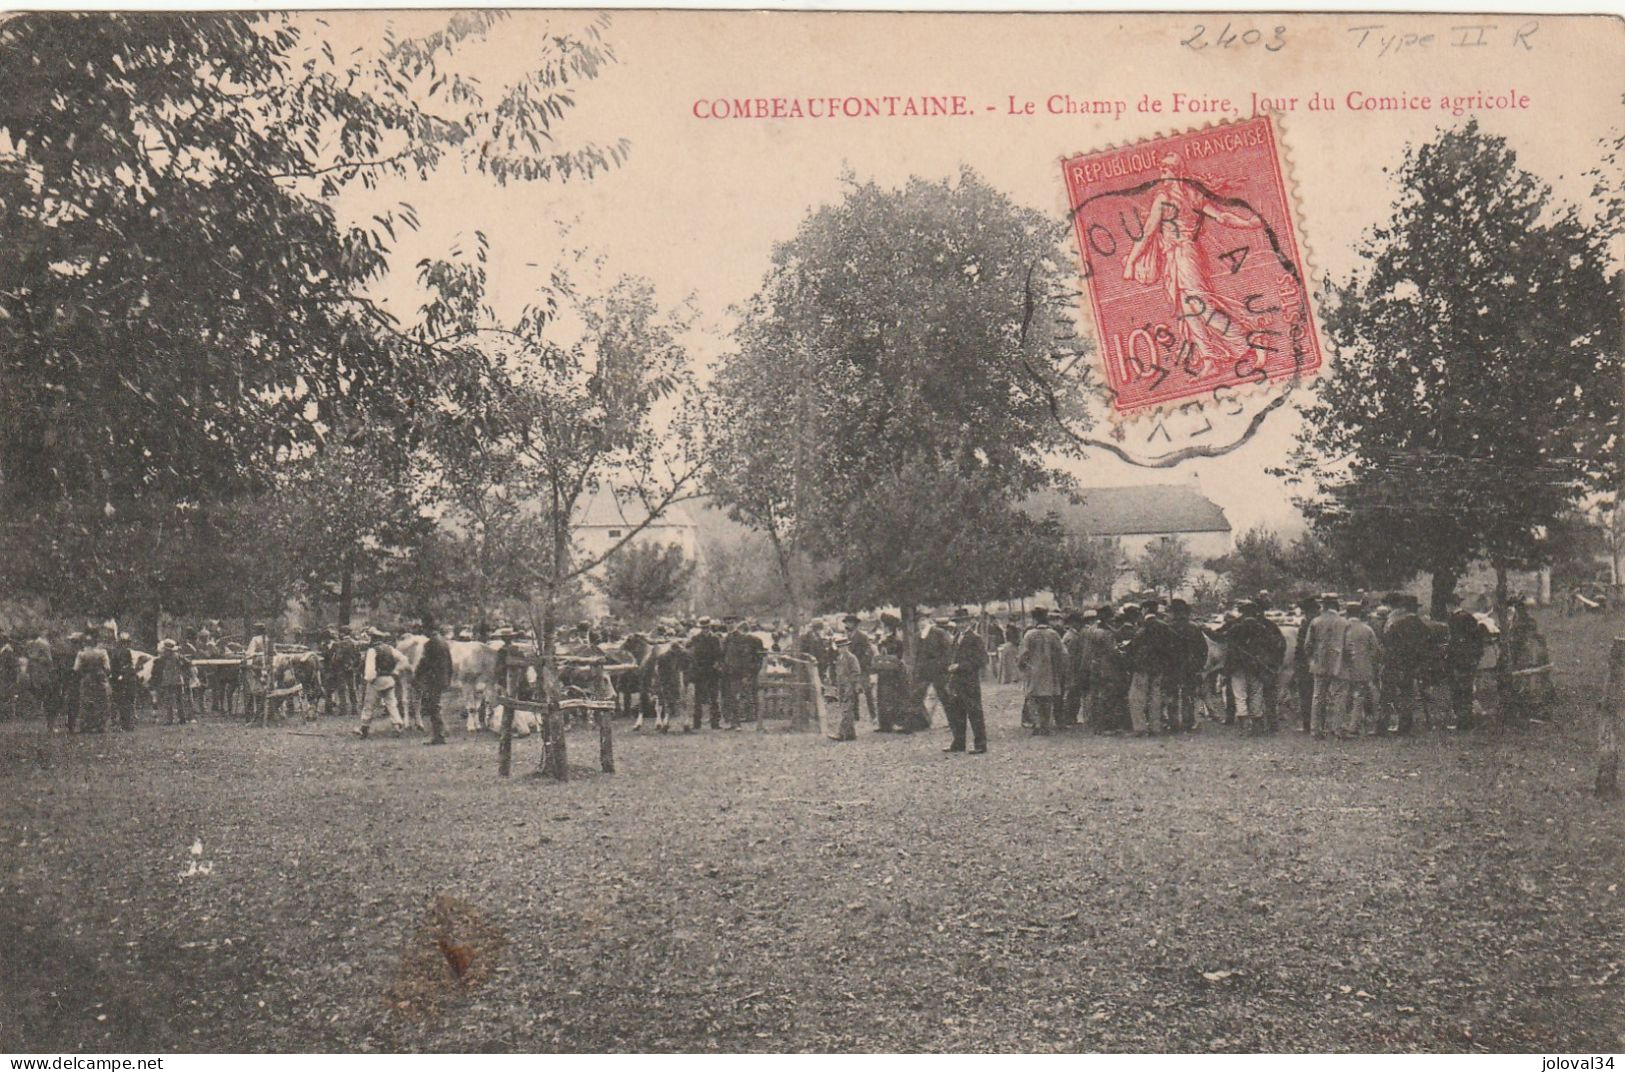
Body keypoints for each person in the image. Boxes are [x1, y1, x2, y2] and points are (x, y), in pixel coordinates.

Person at [1223, 600, 1283, 735]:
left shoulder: (1235, 627)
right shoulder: (1263, 627)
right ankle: (1257, 723)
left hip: (1237, 666)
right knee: (1256, 693)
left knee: (1240, 695)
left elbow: (1221, 637)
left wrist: (1205, 629)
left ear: (1242, 612)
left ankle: (1245, 726)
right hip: (1256, 666)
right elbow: (1274, 644)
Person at [1379, 594, 1432, 735]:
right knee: (1407, 695)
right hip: (1412, 666)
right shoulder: (1423, 627)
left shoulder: (1397, 625)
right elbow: (1426, 648)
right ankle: (1405, 726)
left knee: (1387, 695)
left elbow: (1386, 642)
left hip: (1394, 664)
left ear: (1404, 608)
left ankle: (1382, 726)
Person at [1123, 600, 1174, 737]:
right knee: (1155, 696)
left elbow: (1134, 646)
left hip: (1142, 666)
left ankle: (1140, 728)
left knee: (1136, 697)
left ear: (1145, 610)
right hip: (1158, 666)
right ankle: (1155, 727)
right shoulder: (1165, 627)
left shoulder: (1142, 627)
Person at [1304, 594, 1348, 740]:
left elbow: (1308, 645)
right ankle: (1337, 729)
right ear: (1336, 605)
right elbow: (1348, 645)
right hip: (1339, 663)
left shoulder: (1315, 621)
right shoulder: (1344, 622)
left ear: (1323, 605)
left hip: (1319, 663)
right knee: (1339, 697)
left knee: (1318, 697)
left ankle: (1316, 730)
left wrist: (1312, 658)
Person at [945, 608, 988, 753]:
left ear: (969, 622)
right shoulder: (956, 637)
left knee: (974, 713)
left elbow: (981, 660)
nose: (961, 625)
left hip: (970, 682)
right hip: (956, 681)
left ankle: (980, 745)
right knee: (957, 713)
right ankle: (958, 743)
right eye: (958, 622)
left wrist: (960, 666)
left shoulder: (976, 638)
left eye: (964, 622)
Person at [1445, 595, 1490, 730]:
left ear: (1449, 605)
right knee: (1466, 689)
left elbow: (1453, 641)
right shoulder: (1469, 617)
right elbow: (1477, 639)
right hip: (1470, 659)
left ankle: (1463, 721)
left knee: (1459, 690)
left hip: (1459, 660)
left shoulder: (1455, 619)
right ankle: (1466, 720)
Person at [1019, 606, 1065, 736]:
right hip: (1050, 672)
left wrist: (1022, 666)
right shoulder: (1053, 634)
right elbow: (1062, 653)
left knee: (1033, 698)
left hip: (1033, 671)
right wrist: (1059, 668)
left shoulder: (1029, 635)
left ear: (1034, 620)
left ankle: (1037, 724)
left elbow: (1023, 654)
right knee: (1047, 698)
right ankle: (1045, 724)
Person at [1339, 602, 1381, 738]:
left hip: (1343, 667)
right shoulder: (1367, 629)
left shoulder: (1342, 628)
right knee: (1359, 696)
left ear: (1347, 613)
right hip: (1363, 667)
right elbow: (1375, 649)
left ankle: (1340, 724)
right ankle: (1354, 725)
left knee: (1343, 695)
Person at [1164, 599, 1207, 733]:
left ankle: (1173, 723)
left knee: (1172, 695)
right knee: (1188, 695)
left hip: (1171, 666)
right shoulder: (1194, 628)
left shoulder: (1167, 627)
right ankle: (1188, 723)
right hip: (1191, 666)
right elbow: (1203, 650)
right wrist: (1199, 666)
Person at [356, 627, 406, 738]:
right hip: (389, 679)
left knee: (369, 704)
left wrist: (370, 679)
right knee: (391, 704)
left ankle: (364, 728)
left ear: (373, 639)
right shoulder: (390, 649)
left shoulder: (372, 650)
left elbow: (370, 668)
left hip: (376, 680)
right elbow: (403, 659)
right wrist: (395, 671)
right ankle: (397, 725)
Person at [873, 613, 911, 734]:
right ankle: (885, 724)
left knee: (894, 697)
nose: (884, 628)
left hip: (894, 673)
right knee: (883, 697)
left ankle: (899, 723)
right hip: (884, 671)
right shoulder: (884, 639)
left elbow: (898, 656)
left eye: (885, 626)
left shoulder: (896, 640)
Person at [913, 615, 954, 728]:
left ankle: (953, 721)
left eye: (923, 620)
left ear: (929, 620)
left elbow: (948, 651)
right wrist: (917, 670)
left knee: (944, 695)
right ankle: (924, 721)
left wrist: (943, 666)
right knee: (922, 695)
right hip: (923, 671)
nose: (921, 623)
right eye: (919, 621)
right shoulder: (917, 636)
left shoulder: (939, 633)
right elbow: (917, 655)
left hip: (938, 670)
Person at [418, 619, 454, 745]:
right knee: (436, 705)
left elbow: (424, 663)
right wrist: (448, 678)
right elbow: (450, 663)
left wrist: (417, 675)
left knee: (433, 706)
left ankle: (439, 735)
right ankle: (441, 732)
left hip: (433, 679)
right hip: (442, 678)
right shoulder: (444, 642)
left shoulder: (429, 644)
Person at [720, 619, 761, 730]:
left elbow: (745, 657)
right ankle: (733, 722)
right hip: (727, 672)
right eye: (727, 623)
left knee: (736, 696)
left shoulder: (743, 639)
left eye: (732, 623)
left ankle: (737, 722)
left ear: (736, 625)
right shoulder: (727, 639)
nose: (729, 625)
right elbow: (723, 654)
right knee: (729, 697)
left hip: (737, 672)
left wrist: (745, 673)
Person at [73, 629, 112, 734]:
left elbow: (76, 669)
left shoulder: (81, 654)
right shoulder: (102, 653)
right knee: (101, 701)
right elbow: (108, 668)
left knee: (86, 701)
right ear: (96, 642)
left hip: (87, 678)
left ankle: (85, 726)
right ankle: (101, 726)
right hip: (100, 679)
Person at [842, 614, 879, 723]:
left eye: (850, 622)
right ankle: (855, 716)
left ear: (855, 624)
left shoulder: (862, 636)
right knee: (853, 692)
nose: (848, 625)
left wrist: (861, 664)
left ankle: (873, 716)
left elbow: (868, 652)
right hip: (851, 669)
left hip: (862, 668)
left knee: (867, 692)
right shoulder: (846, 637)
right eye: (847, 622)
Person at [689, 618, 724, 730]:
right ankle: (697, 723)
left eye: (707, 627)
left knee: (714, 698)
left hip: (712, 671)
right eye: (703, 628)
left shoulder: (715, 639)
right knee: (698, 698)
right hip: (700, 671)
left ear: (710, 627)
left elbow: (719, 654)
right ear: (701, 628)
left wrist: (717, 663)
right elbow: (692, 654)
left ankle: (715, 723)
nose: (705, 630)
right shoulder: (696, 639)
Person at [653, 635, 690, 733]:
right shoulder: (680, 655)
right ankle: (683, 722)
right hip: (671, 681)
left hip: (674, 681)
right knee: (677, 701)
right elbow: (659, 671)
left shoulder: (666, 656)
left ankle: (671, 723)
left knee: (674, 701)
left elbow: (658, 671)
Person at [1293, 596, 1319, 732]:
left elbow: (1302, 647)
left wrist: (1298, 662)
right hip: (1321, 663)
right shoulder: (1320, 622)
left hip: (1305, 664)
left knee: (1306, 694)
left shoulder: (1307, 624)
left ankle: (1307, 724)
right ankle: (1319, 723)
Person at [152, 639, 190, 725]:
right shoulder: (178, 656)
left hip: (168, 682)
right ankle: (182, 718)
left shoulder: (163, 658)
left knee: (169, 701)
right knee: (179, 700)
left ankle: (170, 720)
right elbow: (188, 663)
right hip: (178, 681)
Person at [829, 637, 861, 741]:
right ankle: (851, 734)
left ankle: (841, 734)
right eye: (838, 647)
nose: (840, 649)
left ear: (846, 646)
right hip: (841, 686)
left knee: (847, 710)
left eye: (842, 647)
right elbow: (838, 673)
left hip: (849, 686)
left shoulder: (851, 658)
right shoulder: (840, 658)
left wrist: (851, 686)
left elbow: (856, 673)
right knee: (845, 710)